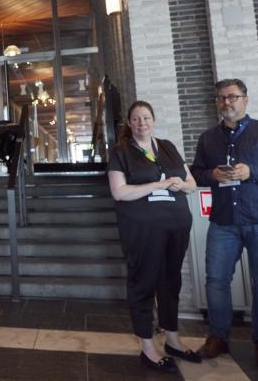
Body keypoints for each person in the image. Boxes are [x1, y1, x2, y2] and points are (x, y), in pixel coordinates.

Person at [191, 79, 258, 367]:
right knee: (215, 281)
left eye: (233, 97)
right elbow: (197, 173)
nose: (227, 102)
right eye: (221, 98)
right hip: (224, 221)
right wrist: (211, 175)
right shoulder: (208, 138)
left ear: (245, 100)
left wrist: (254, 171)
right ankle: (218, 336)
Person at [107, 101, 200, 374]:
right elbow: (120, 193)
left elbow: (191, 183)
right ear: (129, 123)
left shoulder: (168, 147)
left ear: (154, 120)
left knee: (171, 281)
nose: (142, 123)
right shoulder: (121, 153)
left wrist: (182, 185)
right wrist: (157, 184)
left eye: (146, 118)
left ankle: (172, 339)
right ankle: (147, 345)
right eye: (136, 119)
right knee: (143, 282)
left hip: (176, 225)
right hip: (142, 229)